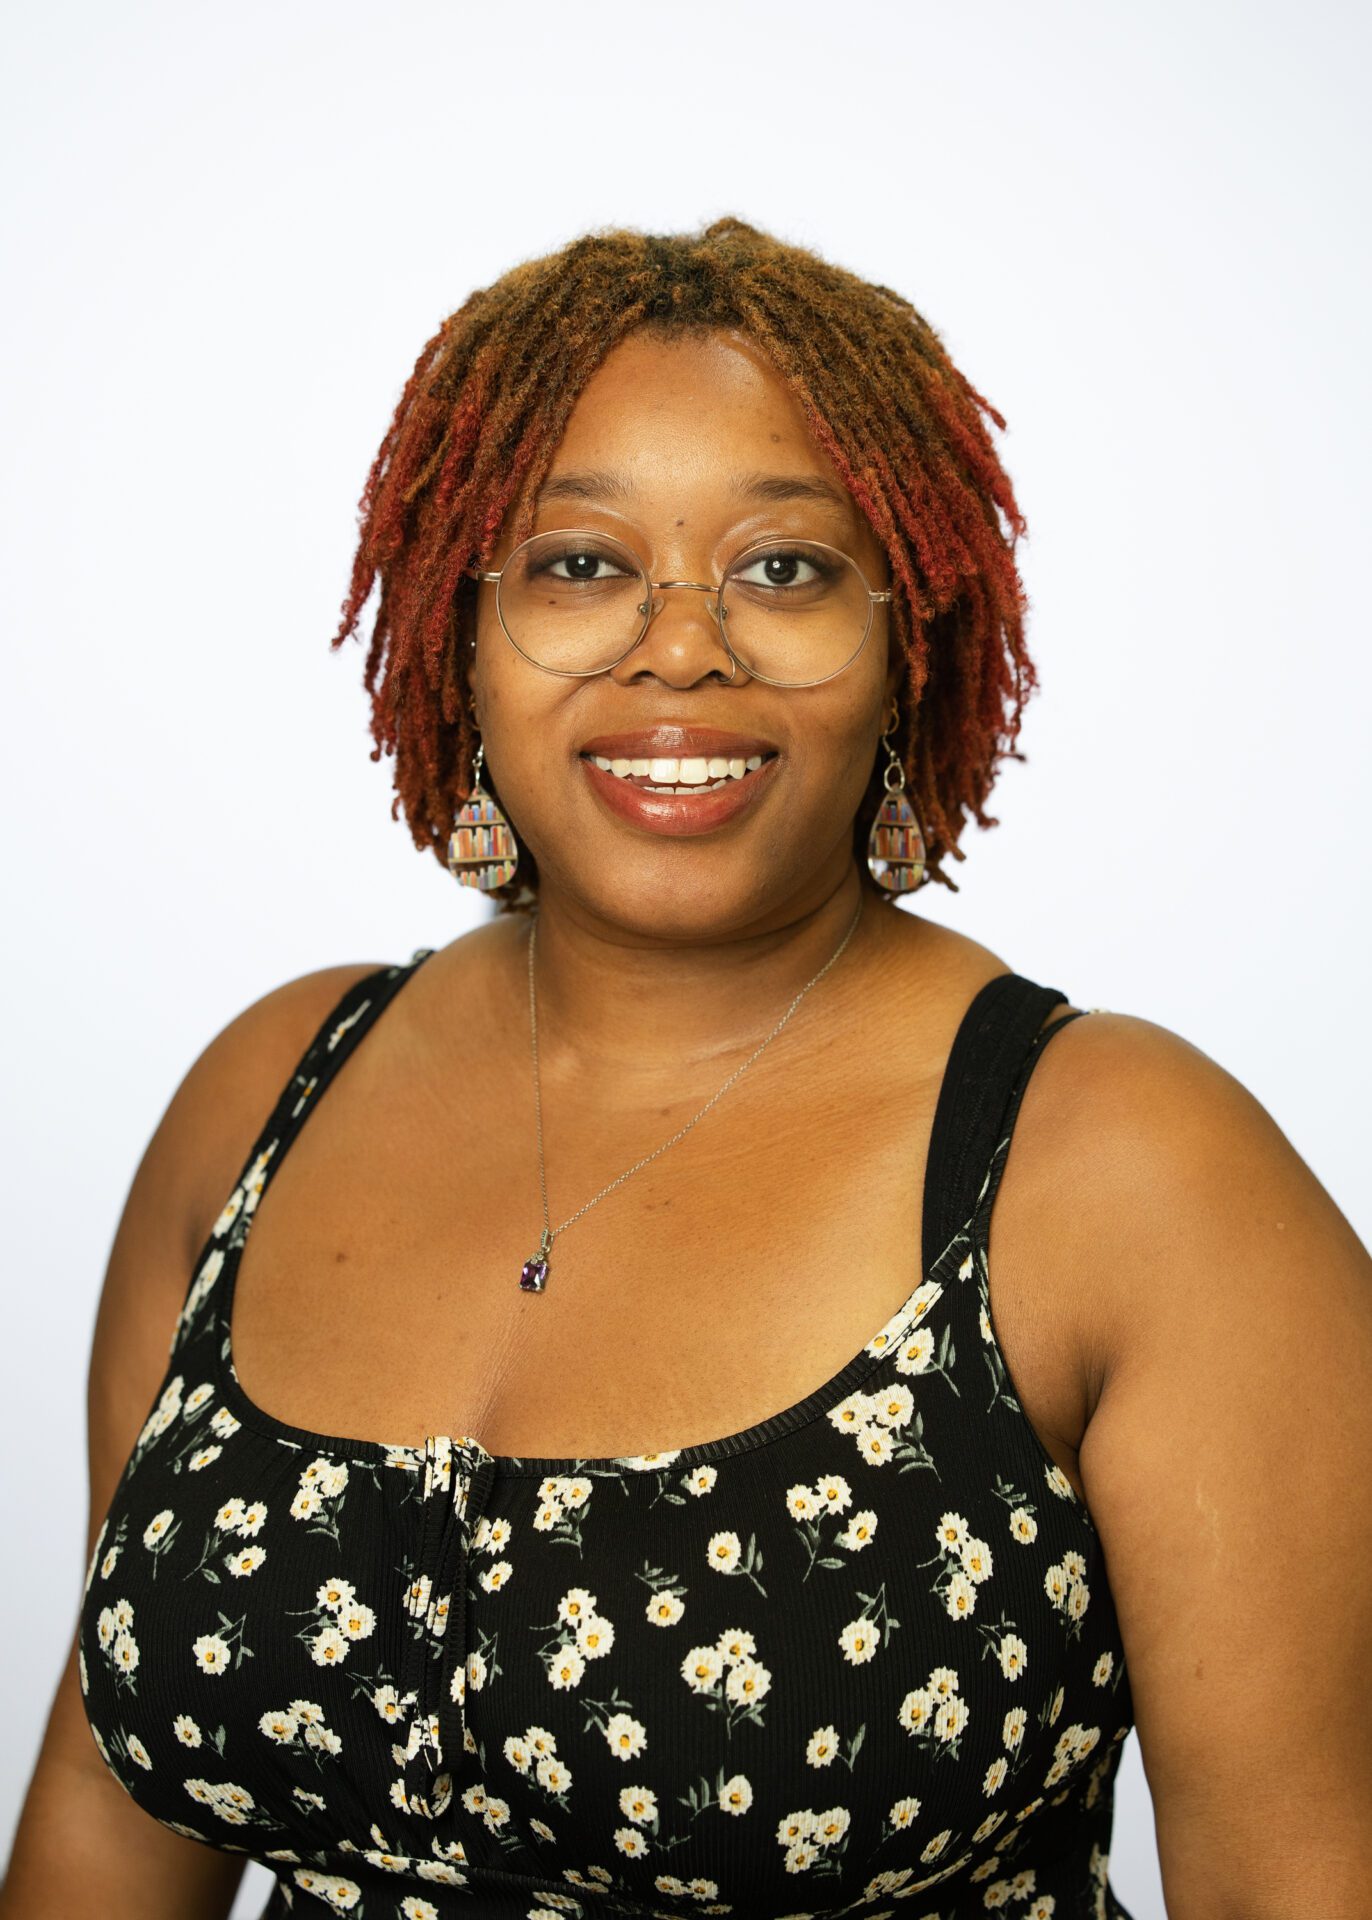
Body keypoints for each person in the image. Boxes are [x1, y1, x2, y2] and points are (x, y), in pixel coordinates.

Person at [4, 218, 1368, 1920]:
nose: (678, 648)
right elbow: (104, 1809)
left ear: (909, 646)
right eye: (580, 563)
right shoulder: (272, 1088)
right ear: (460, 632)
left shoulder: (1127, 1169)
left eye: (783, 569)